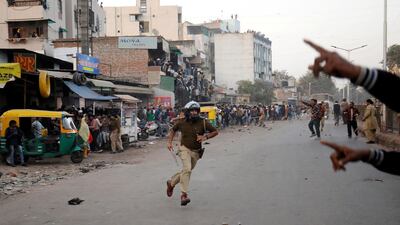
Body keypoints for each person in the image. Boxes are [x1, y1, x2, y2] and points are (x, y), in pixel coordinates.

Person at [305, 39, 400, 175]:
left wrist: (357, 73)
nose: (397, 119)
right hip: (341, 117)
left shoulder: (333, 107)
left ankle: (324, 132)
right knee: (342, 126)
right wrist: (366, 155)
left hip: (338, 117)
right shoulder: (336, 106)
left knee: (355, 127)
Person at [166, 101, 218, 206]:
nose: (194, 113)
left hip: (196, 152)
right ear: (187, 112)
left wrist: (205, 137)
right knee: (187, 169)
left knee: (186, 170)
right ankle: (184, 194)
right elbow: (173, 130)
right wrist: (169, 142)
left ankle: (171, 183)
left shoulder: (203, 122)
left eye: (196, 111)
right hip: (184, 148)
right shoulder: (181, 122)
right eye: (192, 111)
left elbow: (215, 131)